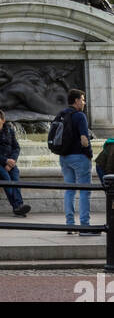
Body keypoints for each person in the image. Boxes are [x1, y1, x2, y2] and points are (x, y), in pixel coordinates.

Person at [56, 87, 94, 232]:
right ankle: (85, 226)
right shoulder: (79, 116)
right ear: (77, 101)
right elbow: (84, 139)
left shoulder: (62, 114)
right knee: (85, 191)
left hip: (64, 157)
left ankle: (70, 224)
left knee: (69, 190)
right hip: (79, 157)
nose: (84, 103)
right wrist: (89, 153)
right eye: (83, 100)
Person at [0, 109, 31, 216]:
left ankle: (19, 207)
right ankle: (17, 206)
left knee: (15, 178)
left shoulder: (10, 130)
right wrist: (5, 161)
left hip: (10, 162)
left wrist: (12, 161)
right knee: (7, 179)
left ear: (3, 120)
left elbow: (16, 147)